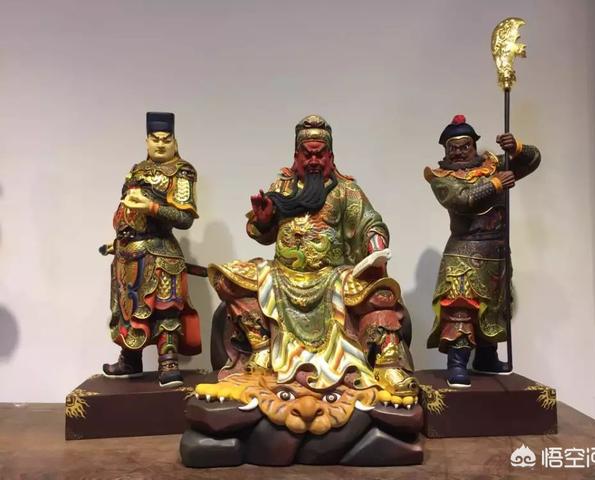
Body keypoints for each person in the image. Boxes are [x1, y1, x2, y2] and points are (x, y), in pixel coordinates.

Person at [209, 114, 417, 400]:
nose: (314, 161)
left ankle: (387, 364)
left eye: (320, 155)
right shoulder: (282, 187)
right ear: (296, 156)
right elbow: (262, 233)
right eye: (307, 155)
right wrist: (264, 220)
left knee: (382, 295)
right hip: (280, 276)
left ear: (331, 157)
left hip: (332, 277)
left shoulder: (346, 190)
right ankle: (262, 348)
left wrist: (375, 243)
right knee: (227, 279)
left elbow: (370, 222)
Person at [424, 114, 541, 388]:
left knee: (494, 307)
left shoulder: (493, 166)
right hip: (463, 252)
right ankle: (457, 362)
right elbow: (462, 199)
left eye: (464, 146)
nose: (459, 152)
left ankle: (487, 357)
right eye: (453, 148)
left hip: (496, 250)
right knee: (461, 308)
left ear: (474, 146)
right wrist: (496, 184)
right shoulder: (442, 179)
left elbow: (532, 161)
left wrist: (516, 148)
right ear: (445, 151)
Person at [102, 112, 201, 388]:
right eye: (154, 139)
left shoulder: (181, 172)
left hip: (160, 252)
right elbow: (126, 210)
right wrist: (118, 241)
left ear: (175, 142)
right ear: (146, 141)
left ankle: (168, 362)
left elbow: (185, 218)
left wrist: (152, 207)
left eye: (166, 140)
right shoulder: (137, 170)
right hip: (128, 253)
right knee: (128, 309)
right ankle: (130, 360)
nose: (160, 144)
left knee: (165, 309)